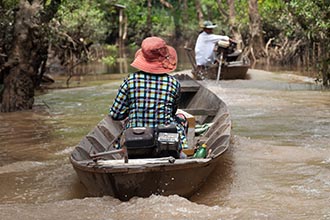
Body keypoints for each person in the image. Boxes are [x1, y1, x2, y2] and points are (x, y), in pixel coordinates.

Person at [109, 36, 187, 158]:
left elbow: (115, 114)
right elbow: (172, 112)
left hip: (134, 140)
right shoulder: (173, 83)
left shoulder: (130, 81)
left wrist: (132, 111)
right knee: (180, 120)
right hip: (165, 142)